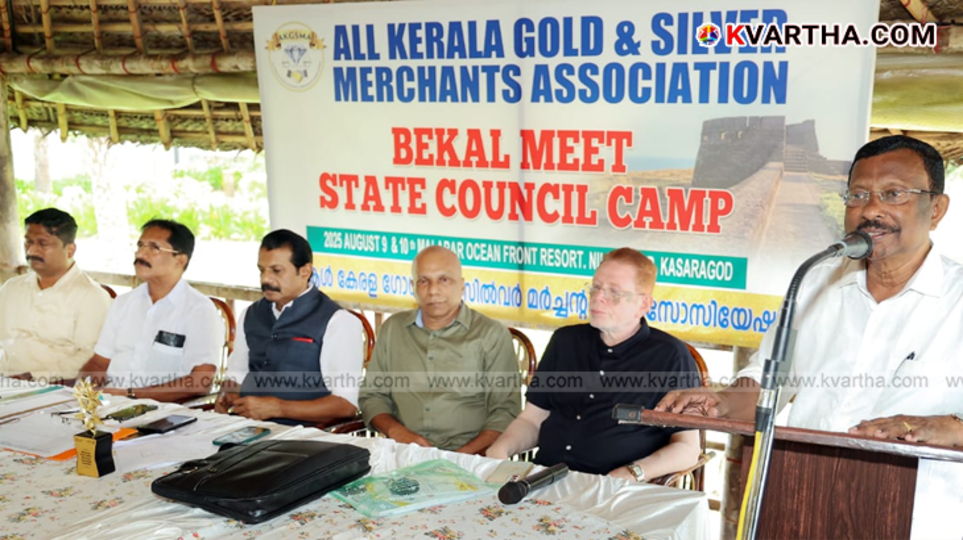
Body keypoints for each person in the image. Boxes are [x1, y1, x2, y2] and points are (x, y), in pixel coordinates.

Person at [657, 135, 963, 447]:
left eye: (893, 194)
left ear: (936, 209)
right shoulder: (815, 285)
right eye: (857, 195)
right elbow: (765, 383)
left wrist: (950, 429)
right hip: (807, 484)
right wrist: (720, 403)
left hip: (919, 492)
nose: (870, 209)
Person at [487, 248, 702, 481]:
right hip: (545, 479)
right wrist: (500, 449)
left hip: (616, 489)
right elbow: (532, 419)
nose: (598, 297)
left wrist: (631, 473)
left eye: (614, 292)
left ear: (643, 304)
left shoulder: (670, 356)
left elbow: (688, 449)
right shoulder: (565, 341)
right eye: (596, 287)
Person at [359, 245, 520, 453]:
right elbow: (372, 396)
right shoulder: (393, 329)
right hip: (404, 453)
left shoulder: (490, 334)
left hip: (471, 457)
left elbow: (506, 411)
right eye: (424, 281)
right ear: (413, 286)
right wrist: (396, 431)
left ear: (462, 286)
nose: (433, 290)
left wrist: (461, 457)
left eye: (444, 280)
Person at [214, 229, 363, 426]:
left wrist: (278, 408)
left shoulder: (338, 321)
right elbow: (237, 373)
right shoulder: (250, 314)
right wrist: (229, 394)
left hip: (307, 437)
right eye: (262, 270)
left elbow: (346, 405)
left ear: (305, 272)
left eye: (276, 271)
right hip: (246, 430)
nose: (265, 279)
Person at [78, 219, 221, 402]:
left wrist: (131, 394)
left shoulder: (199, 310)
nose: (140, 253)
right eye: (140, 245)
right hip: (109, 404)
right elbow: (99, 363)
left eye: (153, 247)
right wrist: (84, 396)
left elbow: (200, 382)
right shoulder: (123, 303)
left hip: (164, 412)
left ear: (180, 260)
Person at [0, 208, 111, 382]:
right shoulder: (11, 288)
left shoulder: (91, 296)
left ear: (70, 250)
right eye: (28, 242)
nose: (31, 251)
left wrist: (36, 377)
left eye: (43, 244)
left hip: (54, 389)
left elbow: (93, 356)